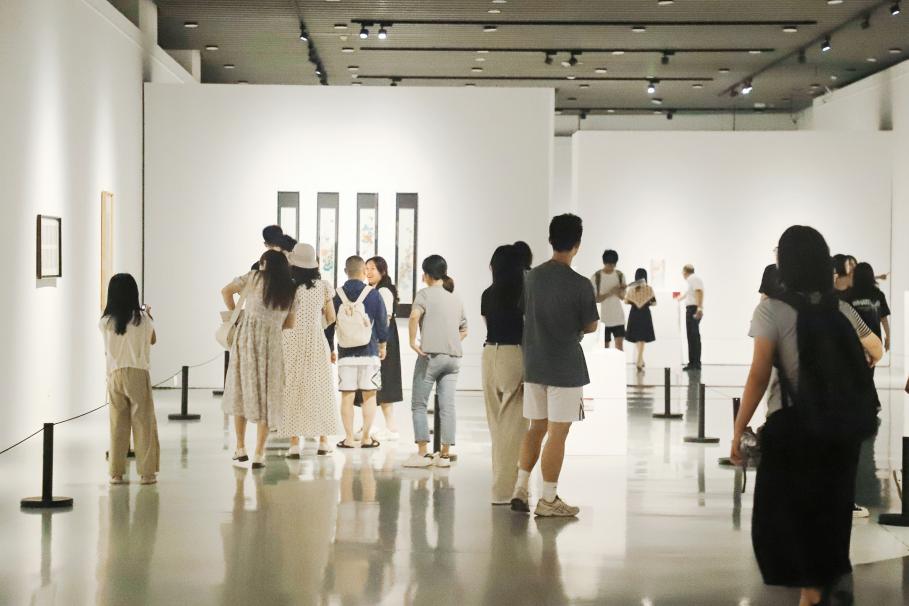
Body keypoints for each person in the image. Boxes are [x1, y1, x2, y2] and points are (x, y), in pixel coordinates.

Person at [731, 226, 883, 606]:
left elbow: (758, 375)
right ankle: (819, 590)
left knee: (786, 522)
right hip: (840, 432)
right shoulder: (841, 309)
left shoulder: (771, 309)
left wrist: (738, 429)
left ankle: (812, 594)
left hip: (792, 429)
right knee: (829, 519)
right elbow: (876, 349)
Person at [511, 214, 599, 517]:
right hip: (565, 367)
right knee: (557, 433)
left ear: (550, 240)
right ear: (577, 245)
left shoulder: (531, 278)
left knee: (535, 428)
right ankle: (548, 498)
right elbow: (591, 325)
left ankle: (520, 488)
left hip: (535, 363)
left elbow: (526, 312)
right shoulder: (581, 284)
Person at [222, 249, 297, 469]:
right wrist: (272, 323)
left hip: (246, 339)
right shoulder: (290, 288)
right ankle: (259, 453)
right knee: (267, 396)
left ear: (264, 263)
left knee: (241, 389)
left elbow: (226, 291)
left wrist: (237, 314)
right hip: (272, 344)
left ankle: (240, 447)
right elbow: (290, 324)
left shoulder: (253, 277)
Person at [403, 255, 468, 469]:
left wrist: (412, 341)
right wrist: (449, 341)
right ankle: (445, 455)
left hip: (430, 357)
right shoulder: (455, 297)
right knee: (448, 406)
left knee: (419, 404)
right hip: (453, 359)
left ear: (427, 274)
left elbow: (414, 317)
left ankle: (423, 453)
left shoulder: (424, 294)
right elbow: (464, 329)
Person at [279, 243, 340, 458]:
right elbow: (331, 317)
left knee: (292, 388)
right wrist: (316, 324)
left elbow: (282, 316)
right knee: (320, 387)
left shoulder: (287, 287)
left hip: (290, 340)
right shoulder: (323, 286)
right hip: (315, 341)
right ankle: (323, 441)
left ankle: (294, 443)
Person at [100, 274, 160, 485]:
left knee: (118, 425)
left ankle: (116, 473)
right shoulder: (142, 320)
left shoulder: (105, 322)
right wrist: (148, 315)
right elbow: (152, 340)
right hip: (137, 373)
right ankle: (147, 473)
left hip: (114, 374)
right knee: (143, 423)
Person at [481, 245, 529, 504]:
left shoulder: (488, 294)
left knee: (496, 424)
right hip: (514, 354)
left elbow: (488, 324)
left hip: (490, 353)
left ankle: (501, 486)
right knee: (513, 425)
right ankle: (506, 490)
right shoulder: (524, 292)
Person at [329, 256, 389, 449]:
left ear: (346, 271)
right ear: (364, 271)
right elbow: (382, 322)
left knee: (347, 396)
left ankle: (348, 438)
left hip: (346, 354)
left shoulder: (336, 295)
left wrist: (331, 348)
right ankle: (365, 438)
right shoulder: (373, 294)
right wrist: (383, 345)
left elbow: (329, 324)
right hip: (369, 353)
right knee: (369, 396)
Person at [354, 256, 405, 441]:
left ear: (382, 271)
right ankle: (373, 426)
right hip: (379, 340)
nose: (368, 272)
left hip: (383, 342)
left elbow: (385, 319)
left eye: (372, 268)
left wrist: (380, 344)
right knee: (375, 384)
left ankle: (388, 428)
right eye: (366, 268)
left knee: (381, 383)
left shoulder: (383, 291)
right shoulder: (374, 290)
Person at [843, 262, 891, 356]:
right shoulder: (850, 295)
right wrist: (888, 337)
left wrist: (888, 337)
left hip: (862, 341)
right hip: (867, 341)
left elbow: (884, 317)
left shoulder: (877, 294)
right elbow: (884, 319)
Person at [591, 250, 626, 351]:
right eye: (609, 264)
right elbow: (596, 299)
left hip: (619, 318)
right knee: (605, 348)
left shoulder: (620, 275)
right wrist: (610, 292)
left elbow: (623, 297)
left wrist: (618, 291)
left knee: (619, 348)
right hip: (603, 320)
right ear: (604, 263)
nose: (611, 267)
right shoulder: (596, 277)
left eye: (613, 265)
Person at [624, 268, 656, 371]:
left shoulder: (632, 289)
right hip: (645, 313)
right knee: (642, 338)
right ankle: (640, 360)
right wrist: (646, 302)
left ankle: (640, 359)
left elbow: (626, 301)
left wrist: (634, 301)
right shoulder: (649, 289)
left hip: (634, 313)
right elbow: (654, 303)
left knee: (637, 337)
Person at [675, 264, 704, 371]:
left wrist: (699, 308)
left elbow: (699, 292)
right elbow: (688, 294)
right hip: (692, 309)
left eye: (682, 272)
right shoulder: (692, 280)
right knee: (692, 337)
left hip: (693, 309)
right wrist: (676, 298)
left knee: (693, 337)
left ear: (685, 272)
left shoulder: (693, 279)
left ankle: (695, 363)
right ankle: (693, 362)